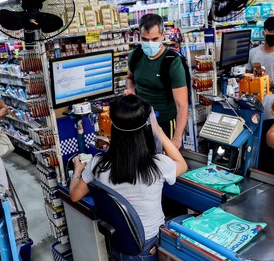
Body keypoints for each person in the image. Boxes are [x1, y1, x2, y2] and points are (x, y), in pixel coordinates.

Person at [69, 95, 187, 245]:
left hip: (119, 245)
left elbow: (74, 196)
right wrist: (159, 132)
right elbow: (182, 164)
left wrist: (77, 171)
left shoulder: (97, 163)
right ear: (146, 129)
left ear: (114, 128)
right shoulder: (159, 165)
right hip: (151, 246)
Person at [125, 13, 189, 149]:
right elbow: (130, 78)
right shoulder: (135, 55)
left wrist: (177, 138)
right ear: (139, 36)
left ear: (163, 35)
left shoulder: (172, 63)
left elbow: (182, 105)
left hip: (165, 123)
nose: (149, 44)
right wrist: (130, 89)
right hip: (141, 121)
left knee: (168, 166)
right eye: (145, 39)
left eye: (154, 39)